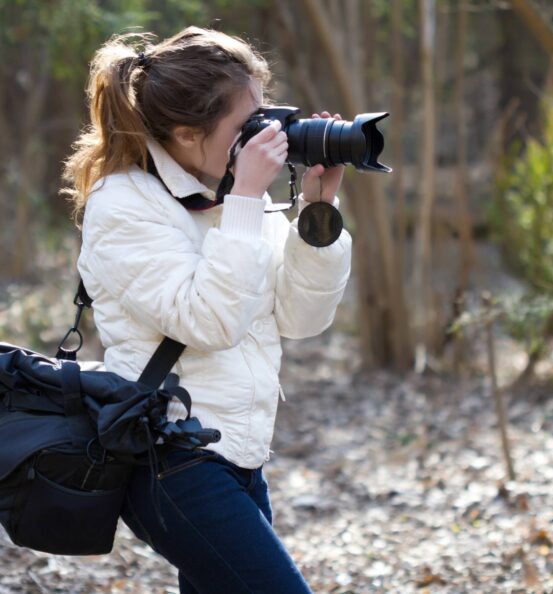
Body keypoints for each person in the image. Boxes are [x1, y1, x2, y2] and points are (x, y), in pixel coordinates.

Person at [63, 26, 352, 594]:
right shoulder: (124, 205)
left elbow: (299, 320)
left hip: (241, 454)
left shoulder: (237, 194)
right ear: (187, 134)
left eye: (264, 114)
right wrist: (245, 199)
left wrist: (319, 214)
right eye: (246, 126)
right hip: (169, 460)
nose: (265, 136)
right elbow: (210, 322)